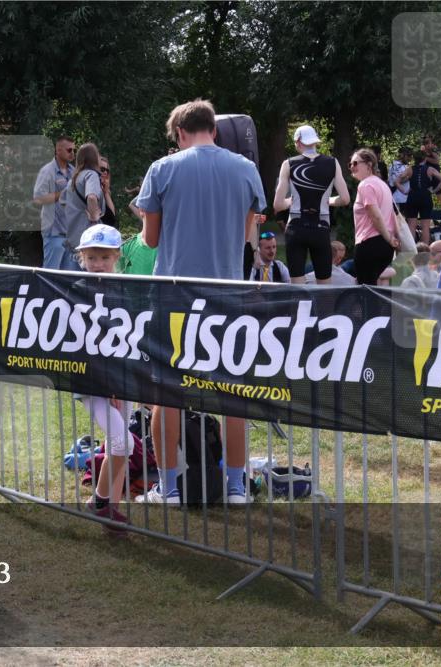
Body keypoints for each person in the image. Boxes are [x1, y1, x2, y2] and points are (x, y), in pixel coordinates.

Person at [135, 98, 266, 506]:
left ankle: (169, 487)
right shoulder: (246, 170)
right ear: (214, 128)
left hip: (174, 296)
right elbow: (248, 233)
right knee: (232, 393)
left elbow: (150, 240)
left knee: (166, 393)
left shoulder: (163, 168)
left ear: (179, 133)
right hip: (228, 296)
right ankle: (235, 486)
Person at [74, 224, 133, 531]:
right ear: (82, 258)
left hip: (121, 379)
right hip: (92, 383)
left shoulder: (123, 290)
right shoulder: (75, 291)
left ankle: (109, 506)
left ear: (116, 257)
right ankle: (99, 503)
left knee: (121, 445)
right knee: (122, 441)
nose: (98, 263)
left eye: (104, 257)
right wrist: (107, 383)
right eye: (92, 257)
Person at [273, 124, 350, 284]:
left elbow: (278, 205)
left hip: (296, 227)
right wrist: (328, 201)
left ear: (299, 142)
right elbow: (345, 199)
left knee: (297, 285)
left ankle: (300, 309)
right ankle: (323, 309)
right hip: (320, 227)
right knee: (324, 284)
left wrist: (290, 201)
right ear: (314, 142)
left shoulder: (288, 164)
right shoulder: (332, 163)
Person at [349, 148, 400, 285]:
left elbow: (376, 216)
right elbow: (392, 215)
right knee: (374, 290)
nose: (351, 167)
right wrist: (391, 239)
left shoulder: (365, 185)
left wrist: (389, 238)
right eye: (350, 164)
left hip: (370, 244)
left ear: (369, 165)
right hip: (385, 248)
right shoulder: (383, 185)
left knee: (366, 292)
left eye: (355, 163)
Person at [34, 137, 76, 270]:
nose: (73, 153)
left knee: (67, 277)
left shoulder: (73, 171)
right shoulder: (47, 171)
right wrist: (62, 194)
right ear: (58, 150)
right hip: (54, 232)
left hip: (70, 234)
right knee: (50, 274)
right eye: (69, 150)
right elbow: (38, 199)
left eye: (74, 150)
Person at [61, 143, 105, 263]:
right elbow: (91, 197)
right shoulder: (91, 175)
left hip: (72, 237)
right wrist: (95, 219)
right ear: (93, 158)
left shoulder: (73, 180)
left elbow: (63, 202)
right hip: (88, 237)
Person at [397, 150, 441, 244]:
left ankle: (412, 251)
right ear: (424, 159)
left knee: (411, 225)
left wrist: (404, 191)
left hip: (413, 197)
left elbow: (397, 181)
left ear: (414, 159)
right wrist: (435, 190)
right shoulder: (430, 169)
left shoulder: (410, 169)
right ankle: (425, 251)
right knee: (425, 226)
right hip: (425, 197)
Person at [99, 156, 117, 227]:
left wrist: (106, 192)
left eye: (107, 170)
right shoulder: (92, 189)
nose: (105, 172)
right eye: (102, 169)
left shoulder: (106, 190)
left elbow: (112, 215)